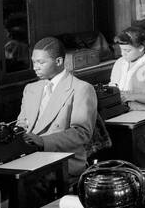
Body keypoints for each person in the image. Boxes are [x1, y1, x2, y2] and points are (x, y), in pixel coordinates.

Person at [16, 37, 99, 178]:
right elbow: (22, 123)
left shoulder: (81, 88)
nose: (35, 67)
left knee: (31, 183)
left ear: (59, 61)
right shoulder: (30, 89)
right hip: (31, 155)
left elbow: (81, 133)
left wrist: (43, 141)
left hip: (64, 159)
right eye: (34, 62)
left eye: (41, 62)